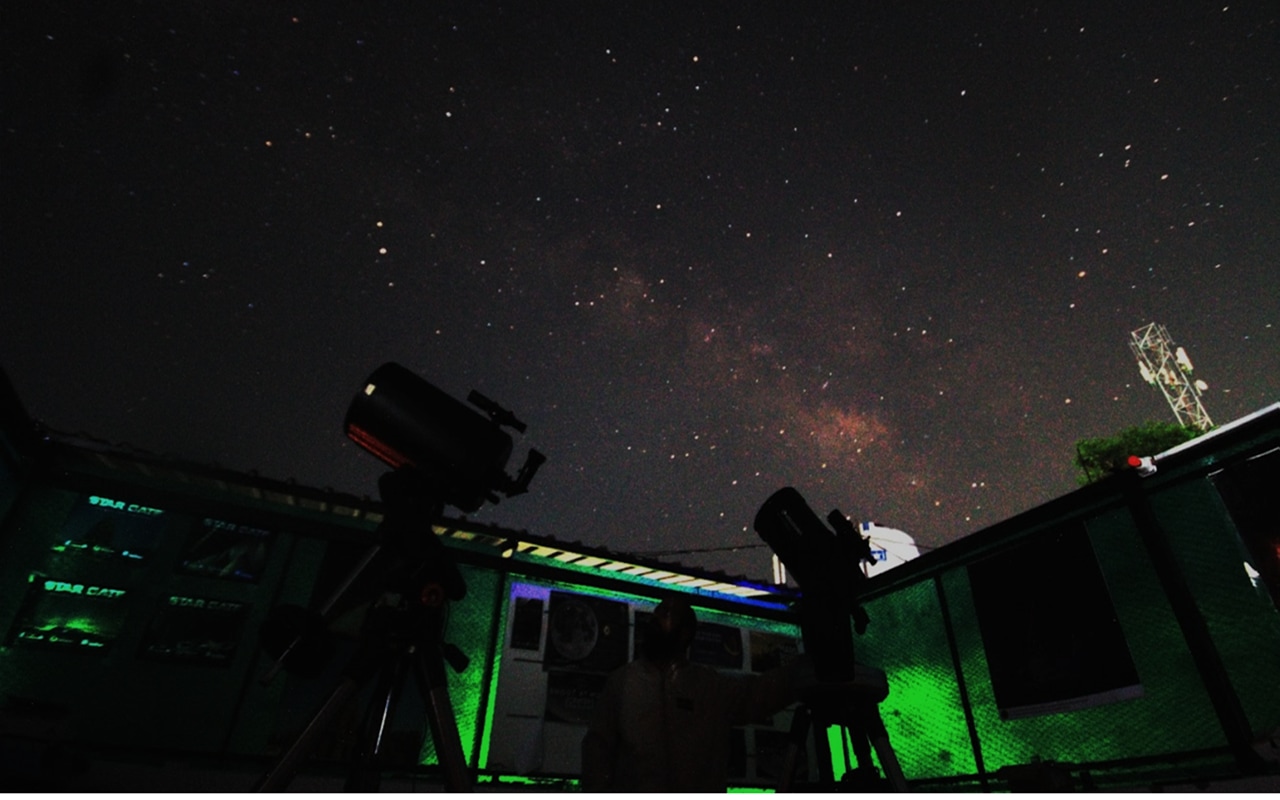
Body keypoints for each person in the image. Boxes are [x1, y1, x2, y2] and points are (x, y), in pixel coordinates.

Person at [581, 597, 806, 792]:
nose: (656, 618)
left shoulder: (710, 686)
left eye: (666, 613)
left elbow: (762, 693)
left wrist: (805, 670)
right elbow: (597, 751)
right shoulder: (621, 683)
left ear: (685, 633)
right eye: (657, 612)